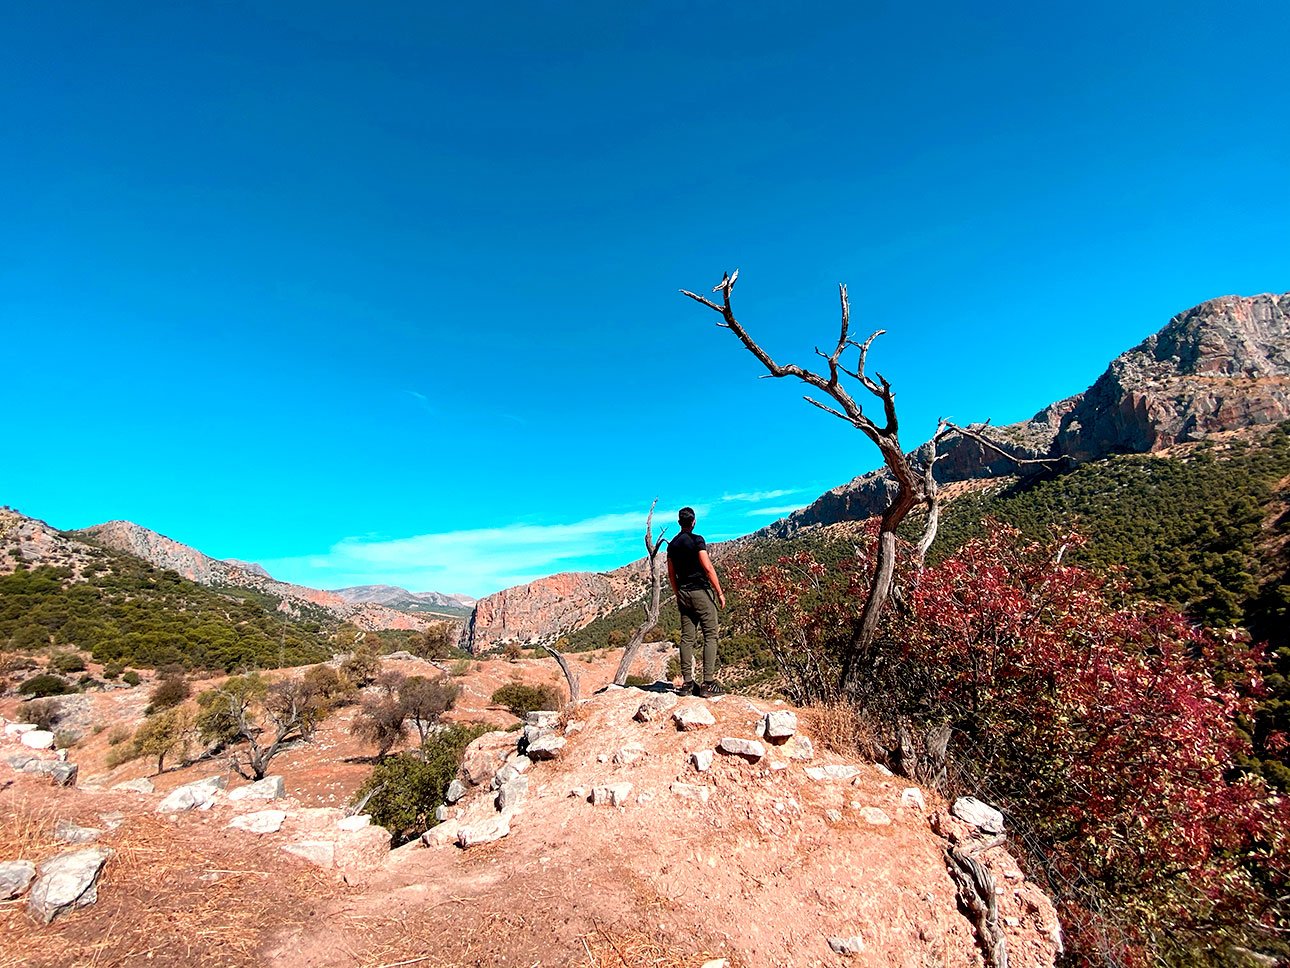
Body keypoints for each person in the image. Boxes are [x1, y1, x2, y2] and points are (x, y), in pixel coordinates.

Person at [666, 506, 726, 697]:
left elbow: (671, 574)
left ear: (679, 523)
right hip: (700, 592)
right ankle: (707, 683)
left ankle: (687, 684)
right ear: (693, 522)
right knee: (710, 635)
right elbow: (707, 568)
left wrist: (678, 594)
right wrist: (719, 593)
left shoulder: (672, 545)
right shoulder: (697, 540)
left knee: (687, 638)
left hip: (683, 593)